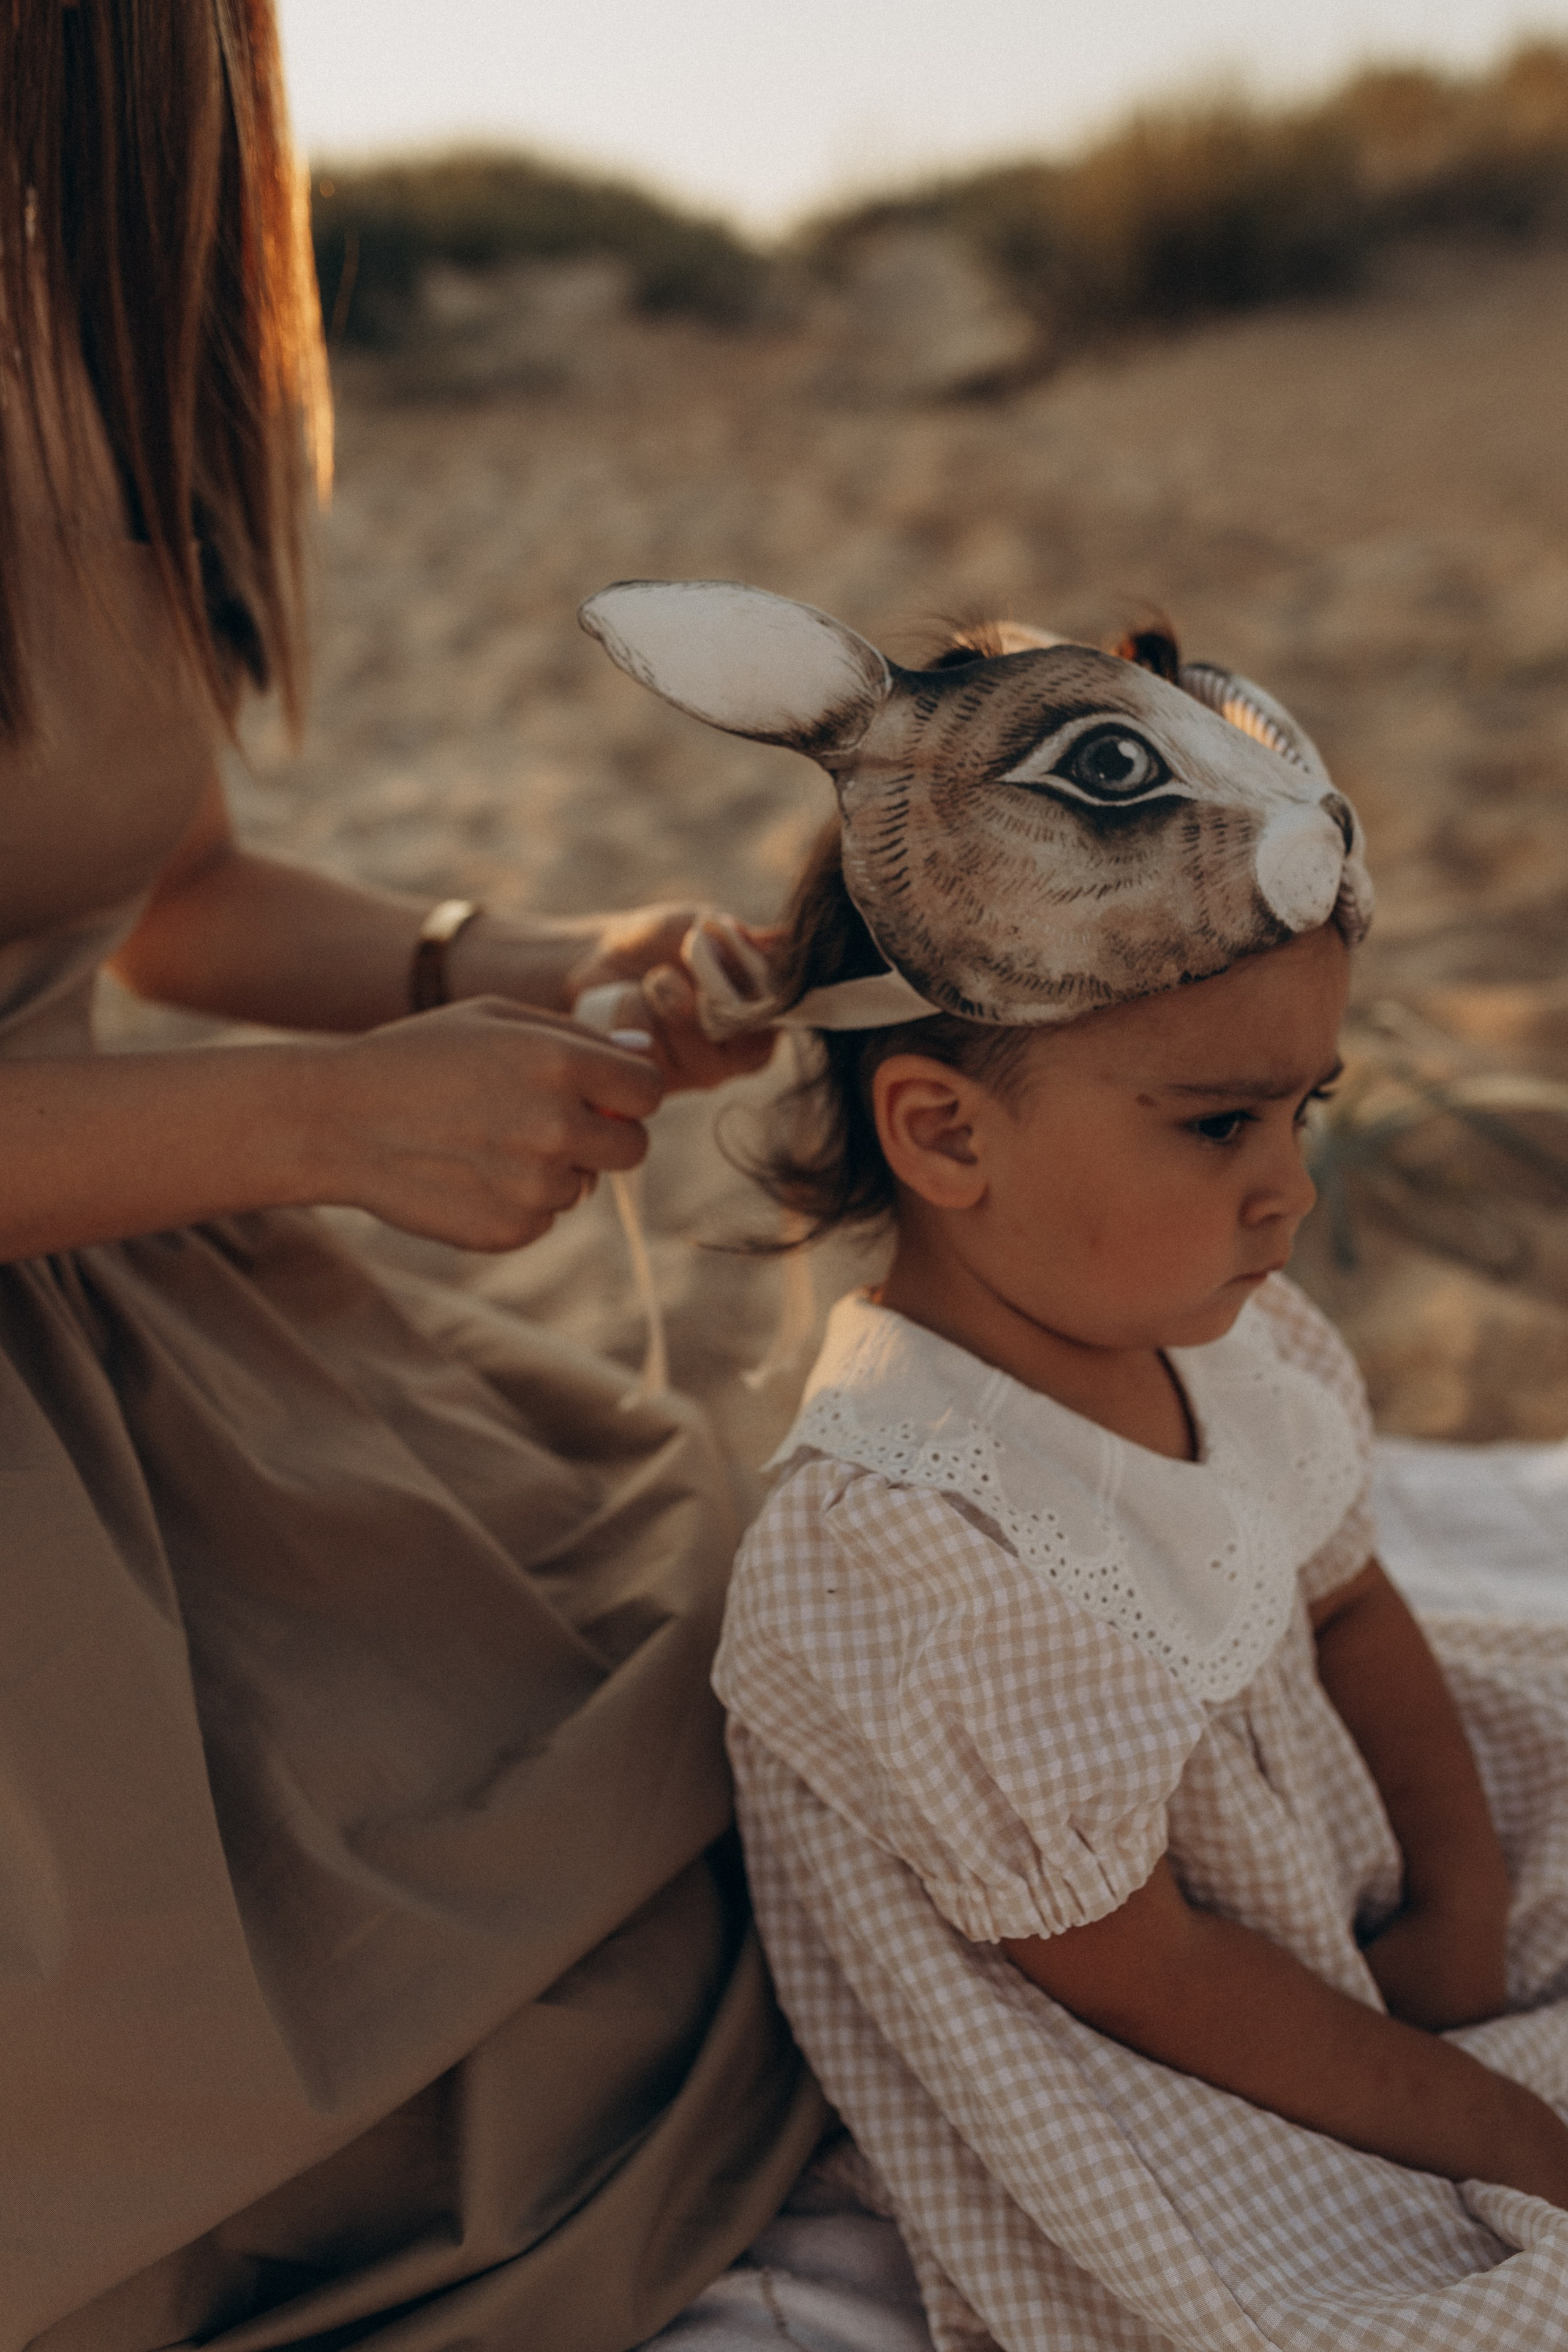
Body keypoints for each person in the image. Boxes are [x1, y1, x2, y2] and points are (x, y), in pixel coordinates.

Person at [0, 13, 826, 2351]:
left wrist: (525, 964)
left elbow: (169, 893)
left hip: (154, 1331)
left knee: (705, 1731)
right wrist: (323, 1129)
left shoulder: (97, 307)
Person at [584, 578, 1568, 2351]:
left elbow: (1351, 1612)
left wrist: (1462, 1898)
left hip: (1315, 1876)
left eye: (1303, 1111)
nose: (1289, 1191)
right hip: (1146, 2035)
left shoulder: (1230, 1334)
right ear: (946, 1132)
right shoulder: (911, 1542)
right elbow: (1158, 1973)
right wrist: (1503, 2123)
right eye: (1217, 1126)